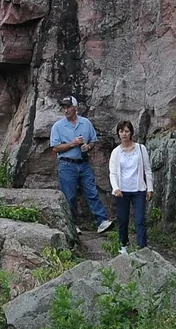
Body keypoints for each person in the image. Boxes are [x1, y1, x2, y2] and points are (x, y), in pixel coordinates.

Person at [49, 96, 111, 234]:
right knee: (69, 196)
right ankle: (72, 225)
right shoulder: (58, 126)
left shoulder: (86, 123)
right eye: (63, 107)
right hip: (67, 164)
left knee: (92, 192)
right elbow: (55, 148)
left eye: (68, 107)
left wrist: (88, 146)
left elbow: (93, 141)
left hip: (83, 163)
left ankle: (101, 221)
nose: (65, 110)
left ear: (75, 108)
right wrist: (73, 143)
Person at [107, 121, 155, 252]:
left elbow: (147, 169)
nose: (124, 134)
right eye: (121, 131)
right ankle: (123, 245)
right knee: (123, 220)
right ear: (118, 133)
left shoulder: (140, 148)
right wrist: (116, 188)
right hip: (122, 191)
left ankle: (142, 247)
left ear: (131, 133)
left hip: (138, 189)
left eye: (127, 131)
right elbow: (113, 173)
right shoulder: (116, 152)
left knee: (140, 219)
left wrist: (149, 188)